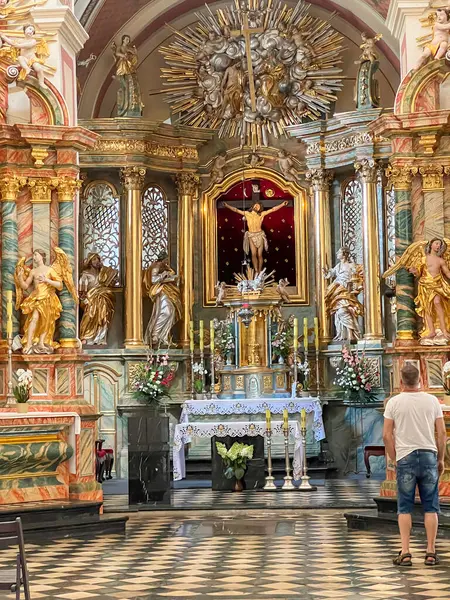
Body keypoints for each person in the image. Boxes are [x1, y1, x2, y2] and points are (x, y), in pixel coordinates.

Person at [383, 363, 446, 567]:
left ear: (401, 381)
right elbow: (442, 433)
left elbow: (386, 435)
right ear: (421, 379)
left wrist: (394, 457)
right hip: (428, 455)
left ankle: (406, 552)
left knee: (404, 507)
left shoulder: (394, 402)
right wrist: (441, 459)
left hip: (406, 457)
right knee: (431, 506)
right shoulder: (432, 401)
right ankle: (430, 551)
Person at [223, 199, 288, 273]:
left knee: (259, 255)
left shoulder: (262, 214)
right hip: (251, 235)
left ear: (260, 208)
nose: (257, 207)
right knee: (253, 254)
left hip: (259, 234)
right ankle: (256, 271)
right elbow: (236, 210)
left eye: (259, 206)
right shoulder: (247, 213)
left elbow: (273, 209)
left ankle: (259, 272)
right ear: (253, 206)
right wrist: (227, 206)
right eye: (256, 205)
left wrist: (282, 204)